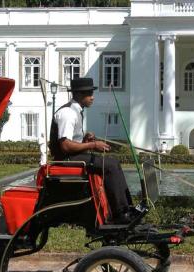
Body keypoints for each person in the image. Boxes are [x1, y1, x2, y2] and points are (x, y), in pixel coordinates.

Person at [48, 78, 142, 224]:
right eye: (89, 93)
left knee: (113, 162)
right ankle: (120, 213)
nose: (92, 97)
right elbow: (65, 146)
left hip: (73, 156)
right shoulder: (67, 113)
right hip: (65, 160)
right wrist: (92, 145)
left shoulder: (77, 111)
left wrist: (85, 140)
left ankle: (126, 208)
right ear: (79, 94)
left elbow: (72, 142)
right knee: (109, 166)